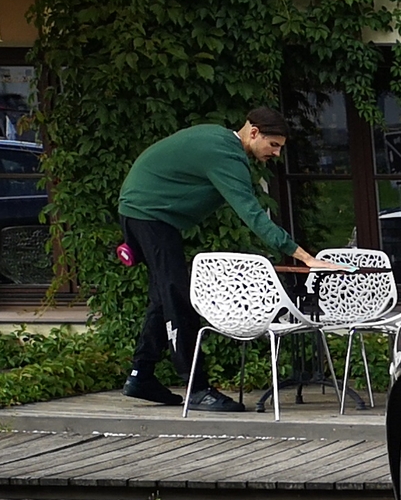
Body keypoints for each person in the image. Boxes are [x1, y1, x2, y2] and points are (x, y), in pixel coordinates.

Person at [116, 107, 326, 410]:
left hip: (142, 212)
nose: (277, 154)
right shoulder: (225, 156)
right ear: (253, 132)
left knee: (163, 297)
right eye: (274, 145)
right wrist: (305, 257)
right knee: (178, 299)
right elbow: (252, 214)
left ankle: (142, 375)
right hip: (150, 216)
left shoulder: (219, 140)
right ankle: (197, 388)